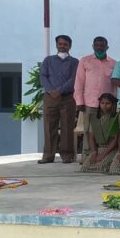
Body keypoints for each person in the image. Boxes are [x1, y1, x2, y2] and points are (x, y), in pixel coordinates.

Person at [39, 34, 79, 164]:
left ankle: (67, 155)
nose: (62, 46)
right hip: (50, 98)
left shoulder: (75, 62)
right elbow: (43, 76)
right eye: (60, 44)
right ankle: (48, 155)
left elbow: (74, 79)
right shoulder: (48, 60)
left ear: (70, 46)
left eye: (65, 44)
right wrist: (51, 90)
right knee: (49, 126)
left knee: (67, 126)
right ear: (56, 45)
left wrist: (60, 90)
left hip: (67, 97)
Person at [74, 36, 117, 158]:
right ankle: (88, 156)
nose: (99, 47)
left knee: (106, 130)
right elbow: (79, 82)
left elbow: (114, 85)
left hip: (107, 104)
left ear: (107, 47)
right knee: (88, 130)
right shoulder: (84, 61)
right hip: (89, 102)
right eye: (97, 45)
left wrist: (114, 103)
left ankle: (104, 155)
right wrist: (79, 101)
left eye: (102, 45)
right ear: (93, 46)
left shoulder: (113, 63)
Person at [81, 93, 119, 173]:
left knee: (101, 167)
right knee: (85, 167)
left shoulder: (116, 118)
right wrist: (94, 152)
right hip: (98, 149)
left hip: (111, 149)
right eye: (102, 103)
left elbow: (116, 139)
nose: (104, 106)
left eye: (108, 103)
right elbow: (91, 136)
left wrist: (103, 154)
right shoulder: (96, 118)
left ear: (113, 105)